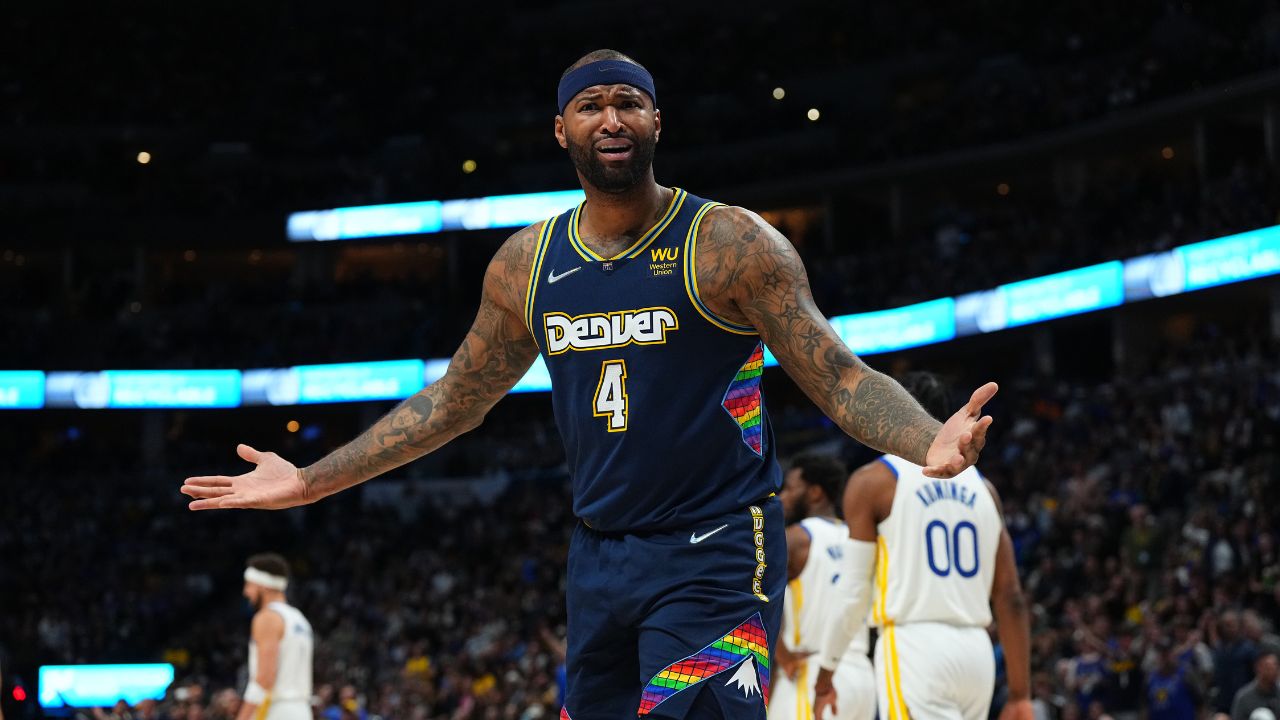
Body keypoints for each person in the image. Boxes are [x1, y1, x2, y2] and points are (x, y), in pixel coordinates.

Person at [181, 50, 997, 720]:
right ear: (562, 129)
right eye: (592, 105)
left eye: (629, 103)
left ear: (655, 123)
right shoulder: (526, 265)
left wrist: (927, 436)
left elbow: (839, 376)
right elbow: (451, 403)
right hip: (598, 558)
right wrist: (311, 482)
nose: (612, 118)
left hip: (714, 548)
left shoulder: (728, 243)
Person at [813, 372, 1028, 720]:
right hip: (977, 653)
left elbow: (853, 593)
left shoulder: (874, 481)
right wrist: (1020, 694)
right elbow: (1011, 596)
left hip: (915, 647)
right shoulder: (986, 491)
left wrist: (825, 674)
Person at [772, 452, 876, 720]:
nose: (782, 497)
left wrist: (781, 654)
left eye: (791, 489)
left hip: (811, 669)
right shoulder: (859, 536)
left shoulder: (796, 539)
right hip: (862, 675)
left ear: (815, 493)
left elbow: (754, 594)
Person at [237, 554, 313, 720]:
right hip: (302, 710)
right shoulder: (300, 619)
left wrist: (242, 717)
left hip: (277, 710)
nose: (246, 592)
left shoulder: (267, 618)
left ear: (263, 585)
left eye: (249, 584)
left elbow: (265, 678)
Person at [1146, 640, 1200, 720]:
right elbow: (1145, 706)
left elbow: (1200, 703)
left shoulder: (1186, 675)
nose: (1164, 657)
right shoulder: (1150, 679)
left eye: (1167, 653)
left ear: (1174, 654)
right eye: (1161, 654)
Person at [1231, 647, 1280, 720]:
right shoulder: (1244, 698)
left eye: (1275, 667)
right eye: (1268, 668)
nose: (1273, 671)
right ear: (1258, 668)